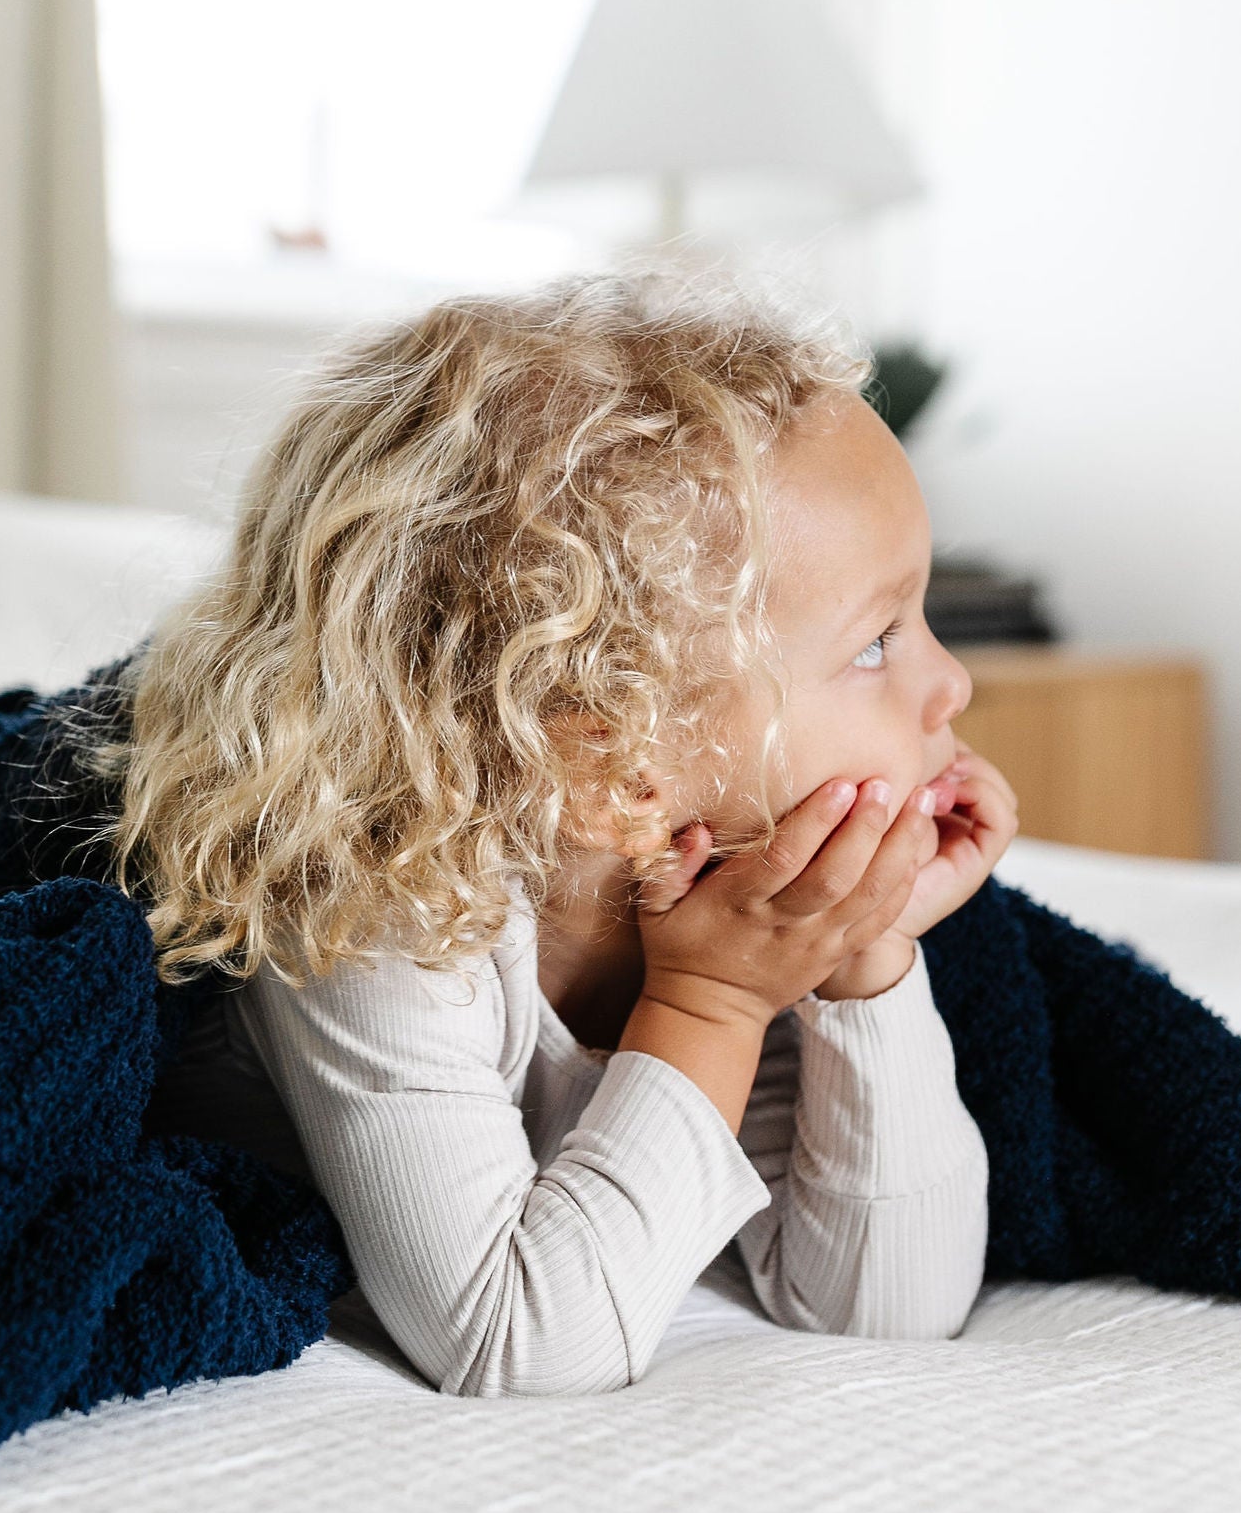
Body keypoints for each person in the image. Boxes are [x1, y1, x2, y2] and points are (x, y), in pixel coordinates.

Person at [118, 274, 1018, 1396]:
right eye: (877, 644)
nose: (952, 686)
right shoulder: (375, 900)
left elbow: (884, 1308)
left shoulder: (731, 876)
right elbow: (517, 1344)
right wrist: (712, 1007)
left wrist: (864, 956)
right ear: (616, 769)